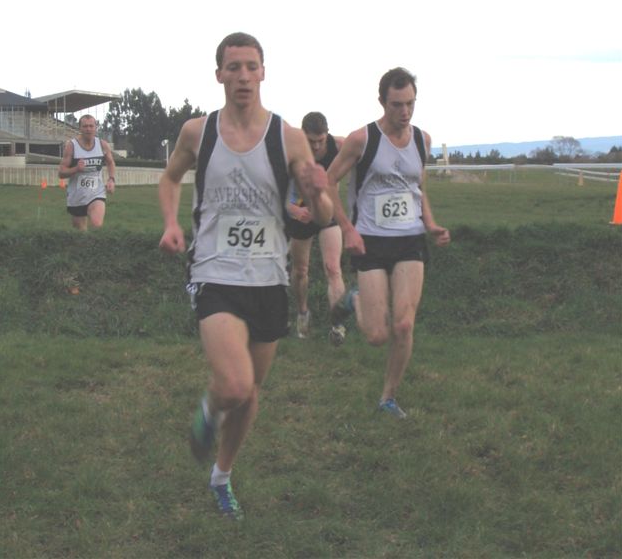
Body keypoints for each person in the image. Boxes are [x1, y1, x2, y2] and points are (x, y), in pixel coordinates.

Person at [158, 32, 333, 520]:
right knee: (234, 385)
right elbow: (169, 178)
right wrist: (171, 223)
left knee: (251, 392)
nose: (242, 76)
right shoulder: (198, 132)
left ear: (263, 73)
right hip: (214, 270)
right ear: (219, 74)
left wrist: (318, 192)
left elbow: (321, 215)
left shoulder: (289, 137)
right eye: (233, 67)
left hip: (269, 277)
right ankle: (209, 410)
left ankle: (222, 476)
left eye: (251, 67)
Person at [326, 67, 450, 419]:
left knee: (404, 324)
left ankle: (388, 398)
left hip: (410, 240)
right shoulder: (362, 139)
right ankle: (353, 299)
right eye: (397, 105)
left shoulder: (422, 140)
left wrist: (430, 224)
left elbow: (418, 188)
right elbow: (329, 182)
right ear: (382, 102)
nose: (405, 111)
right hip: (370, 240)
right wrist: (347, 228)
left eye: (410, 103)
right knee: (377, 335)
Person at [286, 111, 347, 344]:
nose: (316, 146)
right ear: (302, 135)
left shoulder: (338, 146)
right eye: (311, 141)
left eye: (320, 140)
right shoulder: (290, 151)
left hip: (327, 212)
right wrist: (294, 211)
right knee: (301, 271)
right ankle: (302, 311)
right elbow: (274, 191)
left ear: (327, 134)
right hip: (300, 213)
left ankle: (338, 326)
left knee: (333, 268)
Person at [58, 114, 116, 230]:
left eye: (91, 126)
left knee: (97, 225)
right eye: (85, 126)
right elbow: (61, 172)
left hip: (97, 193)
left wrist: (111, 179)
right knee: (80, 232)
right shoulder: (72, 146)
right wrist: (76, 169)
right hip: (77, 196)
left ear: (96, 128)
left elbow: (110, 163)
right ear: (80, 128)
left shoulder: (102, 145)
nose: (88, 129)